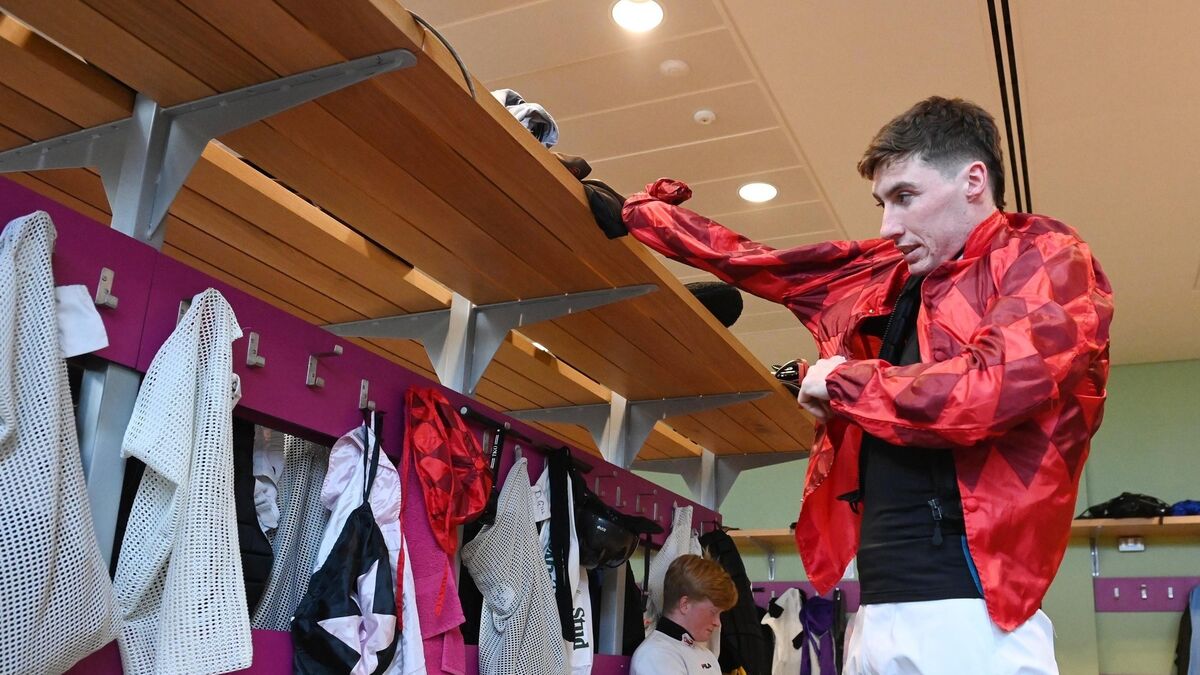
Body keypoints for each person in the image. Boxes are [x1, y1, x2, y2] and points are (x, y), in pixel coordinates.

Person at [621, 96, 1113, 674]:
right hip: (875, 606)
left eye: (905, 196)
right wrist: (645, 216)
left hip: (972, 615)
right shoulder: (891, 274)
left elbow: (990, 388)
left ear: (973, 181)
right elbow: (771, 265)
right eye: (882, 203)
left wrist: (841, 381)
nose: (888, 225)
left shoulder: (1044, 254)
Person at [631, 554, 737, 675]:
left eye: (720, 614)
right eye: (713, 612)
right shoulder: (655, 654)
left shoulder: (707, 655)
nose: (717, 623)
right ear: (685, 604)